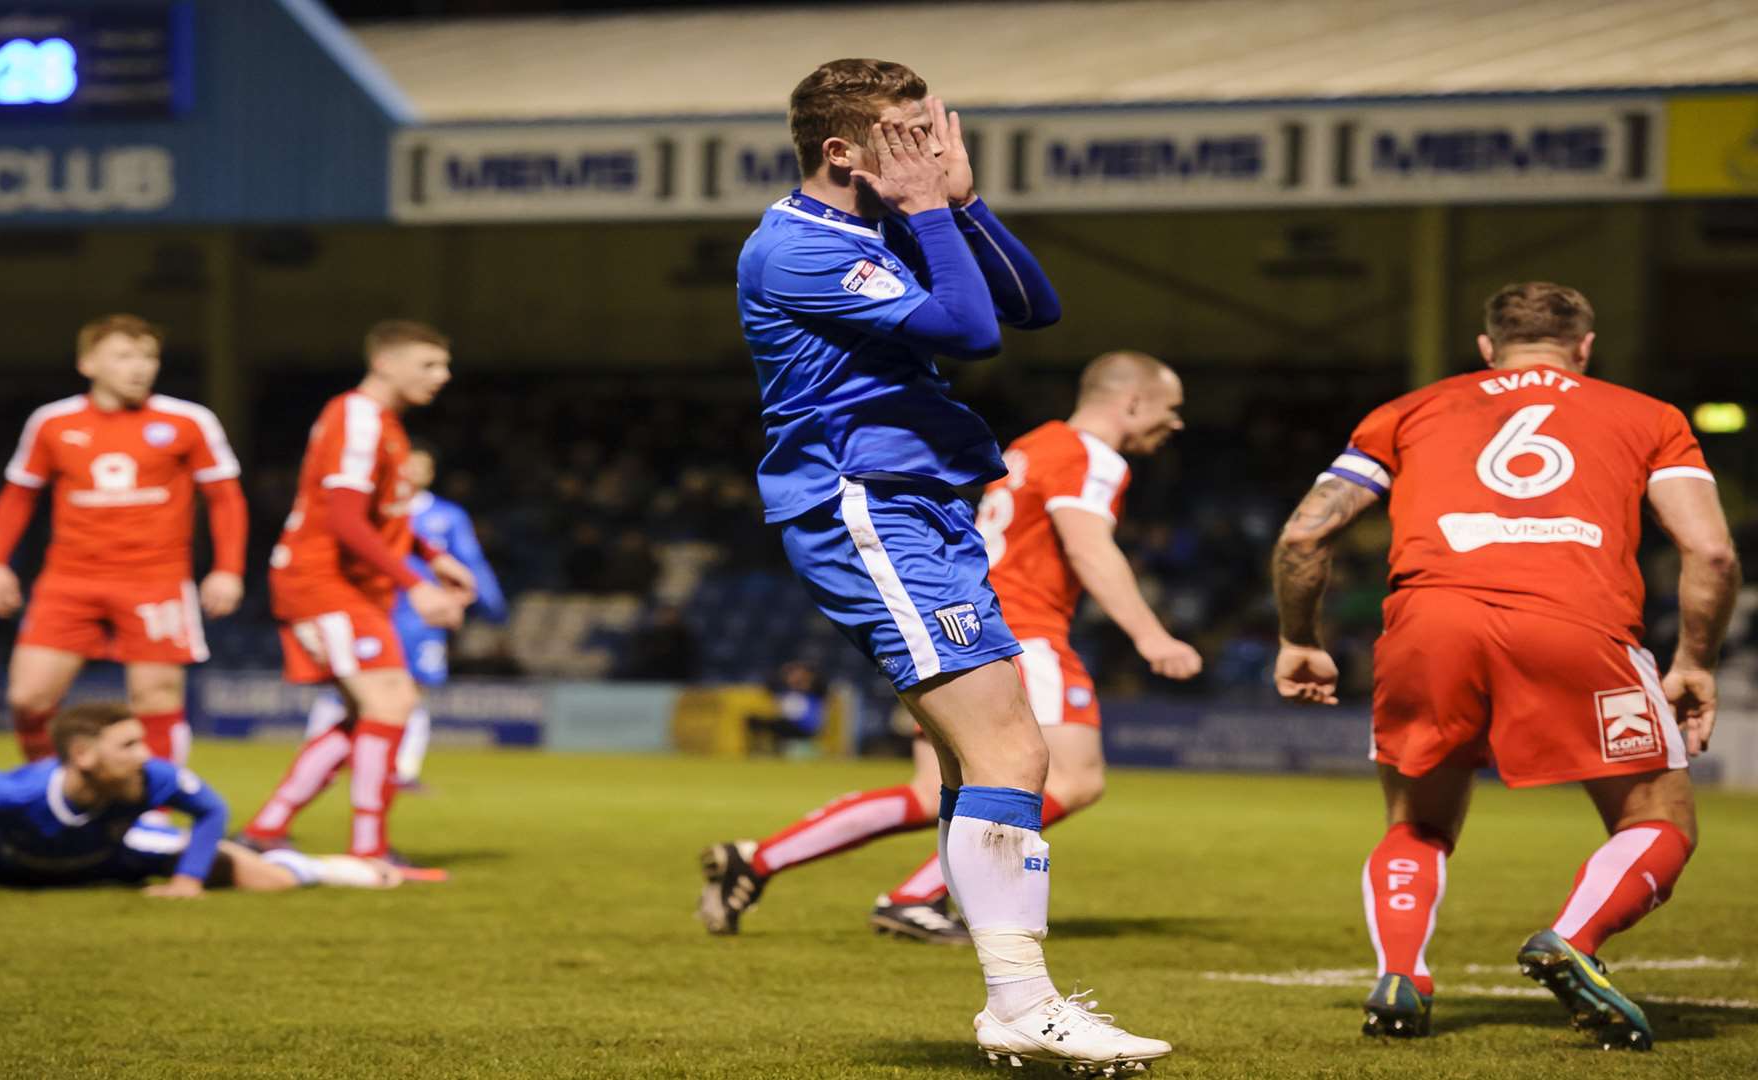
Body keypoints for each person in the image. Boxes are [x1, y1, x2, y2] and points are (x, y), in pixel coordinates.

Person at [712, 58, 1170, 1072]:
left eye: (936, 131)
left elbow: (1032, 309)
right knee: (1011, 755)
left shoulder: (883, 222)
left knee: (993, 764)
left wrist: (964, 203)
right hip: (866, 507)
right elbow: (970, 333)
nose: (933, 149)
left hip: (926, 508)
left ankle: (1020, 994)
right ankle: (1022, 1001)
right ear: (844, 152)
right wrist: (928, 210)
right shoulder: (794, 246)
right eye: (910, 135)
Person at [1271, 282, 1739, 1050]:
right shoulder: (1649, 417)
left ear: (1487, 348)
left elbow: (1302, 537)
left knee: (1418, 822)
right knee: (1658, 819)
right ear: (1584, 348)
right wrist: (1695, 660)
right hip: (1577, 624)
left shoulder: (1407, 411)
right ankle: (1573, 939)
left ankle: (1402, 974)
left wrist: (1299, 637)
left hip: (1431, 623)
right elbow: (1712, 550)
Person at [704, 353, 1201, 947]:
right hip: (1025, 633)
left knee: (928, 791)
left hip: (960, 623)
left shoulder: (1031, 446)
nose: (1176, 425)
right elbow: (1088, 545)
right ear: (1132, 402)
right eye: (1170, 410)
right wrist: (1151, 634)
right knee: (1074, 779)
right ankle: (916, 896)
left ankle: (757, 860)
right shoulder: (1092, 456)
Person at [237, 321, 475, 869]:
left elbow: (376, 514)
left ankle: (267, 828)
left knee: (365, 712)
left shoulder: (382, 423)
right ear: (386, 363)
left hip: (344, 583)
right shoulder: (360, 419)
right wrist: (418, 584)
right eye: (430, 365)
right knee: (392, 702)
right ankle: (369, 849)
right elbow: (344, 521)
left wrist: (432, 554)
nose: (443, 377)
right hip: (322, 581)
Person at [0, 314, 247, 766]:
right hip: (69, 579)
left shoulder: (189, 420)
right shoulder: (52, 422)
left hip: (155, 579)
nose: (139, 367)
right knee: (28, 697)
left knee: (156, 697)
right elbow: (17, 497)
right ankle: (51, 792)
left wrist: (228, 569)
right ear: (88, 363)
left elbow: (225, 499)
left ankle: (155, 814)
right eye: (124, 356)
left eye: (149, 357)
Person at [0, 702, 403, 896]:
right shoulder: (15, 792)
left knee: (265, 880)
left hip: (115, 857)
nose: (145, 755)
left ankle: (330, 869)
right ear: (82, 754)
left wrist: (188, 881)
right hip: (15, 870)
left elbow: (212, 810)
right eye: (128, 745)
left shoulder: (155, 780)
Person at [302, 442, 507, 789]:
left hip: (421, 617)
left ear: (430, 473)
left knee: (412, 691)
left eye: (420, 466)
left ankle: (400, 769)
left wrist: (490, 604)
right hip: (369, 607)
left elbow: (470, 560)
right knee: (347, 690)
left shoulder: (447, 515)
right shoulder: (370, 509)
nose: (412, 471)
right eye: (407, 464)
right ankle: (322, 764)